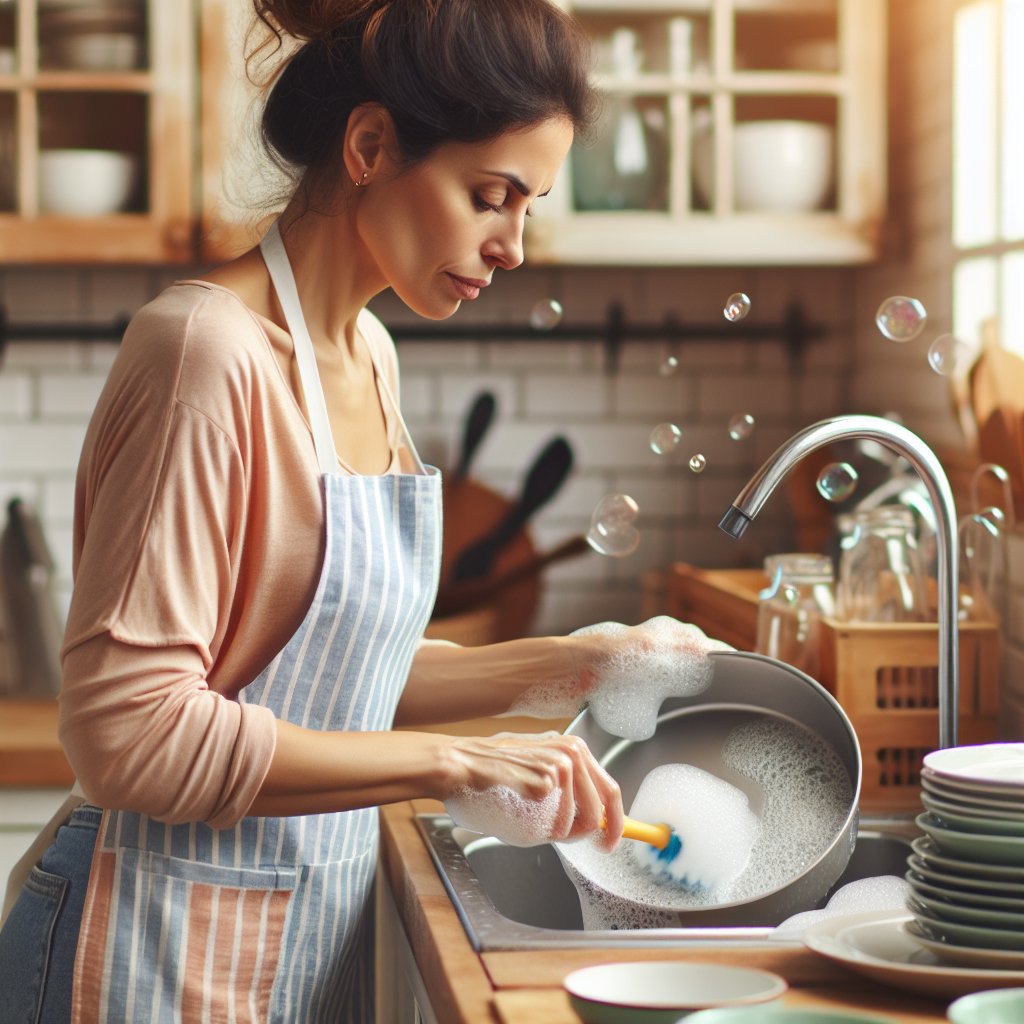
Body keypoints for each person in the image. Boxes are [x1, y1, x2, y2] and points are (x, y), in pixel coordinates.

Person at [0, 2, 716, 1021]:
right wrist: (454, 758)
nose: (512, 245)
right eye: (490, 195)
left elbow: (334, 674)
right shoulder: (207, 352)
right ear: (371, 144)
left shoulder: (367, 354)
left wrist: (571, 663)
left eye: (528, 207)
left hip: (283, 934)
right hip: (143, 943)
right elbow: (129, 732)